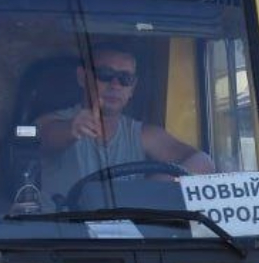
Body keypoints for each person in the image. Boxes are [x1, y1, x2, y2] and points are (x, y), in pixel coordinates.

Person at [34, 44, 214, 205]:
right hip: (64, 235)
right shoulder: (51, 123)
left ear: (132, 88)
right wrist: (72, 129)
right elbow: (47, 138)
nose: (115, 85)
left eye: (125, 79)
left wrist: (154, 185)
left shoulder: (142, 134)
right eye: (105, 75)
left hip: (126, 238)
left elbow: (203, 162)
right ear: (83, 78)